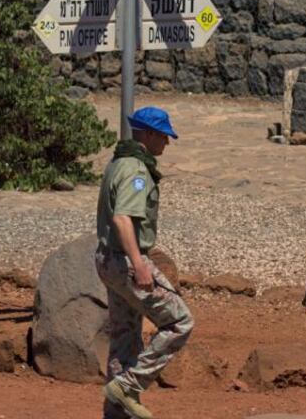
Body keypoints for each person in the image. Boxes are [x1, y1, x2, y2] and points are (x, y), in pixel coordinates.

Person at [95, 106, 194, 419]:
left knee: (124, 337)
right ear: (148, 134)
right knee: (180, 322)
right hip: (125, 260)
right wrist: (139, 266)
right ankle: (128, 385)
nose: (167, 142)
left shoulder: (118, 162)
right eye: (163, 135)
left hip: (107, 258)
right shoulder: (137, 171)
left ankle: (116, 412)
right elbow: (123, 218)